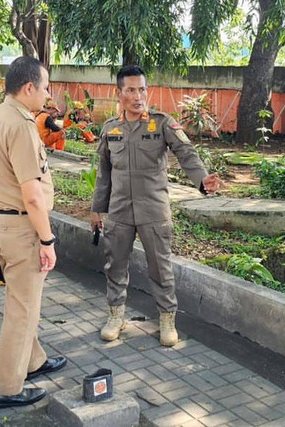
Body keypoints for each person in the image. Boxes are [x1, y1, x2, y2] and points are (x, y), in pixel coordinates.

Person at [91, 65, 224, 347]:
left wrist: (202, 180)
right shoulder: (110, 129)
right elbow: (104, 173)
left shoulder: (163, 123)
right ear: (120, 93)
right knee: (115, 266)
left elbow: (186, 152)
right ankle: (116, 316)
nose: (138, 96)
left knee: (160, 268)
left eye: (142, 89)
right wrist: (96, 209)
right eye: (131, 90)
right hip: (119, 212)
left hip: (154, 210)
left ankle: (167, 319)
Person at [0, 56, 66, 409]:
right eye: (45, 87)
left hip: (3, 221)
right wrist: (47, 240)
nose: (47, 95)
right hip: (21, 227)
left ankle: (32, 360)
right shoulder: (20, 125)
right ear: (29, 87)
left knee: (22, 301)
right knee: (23, 309)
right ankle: (4, 387)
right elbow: (32, 194)